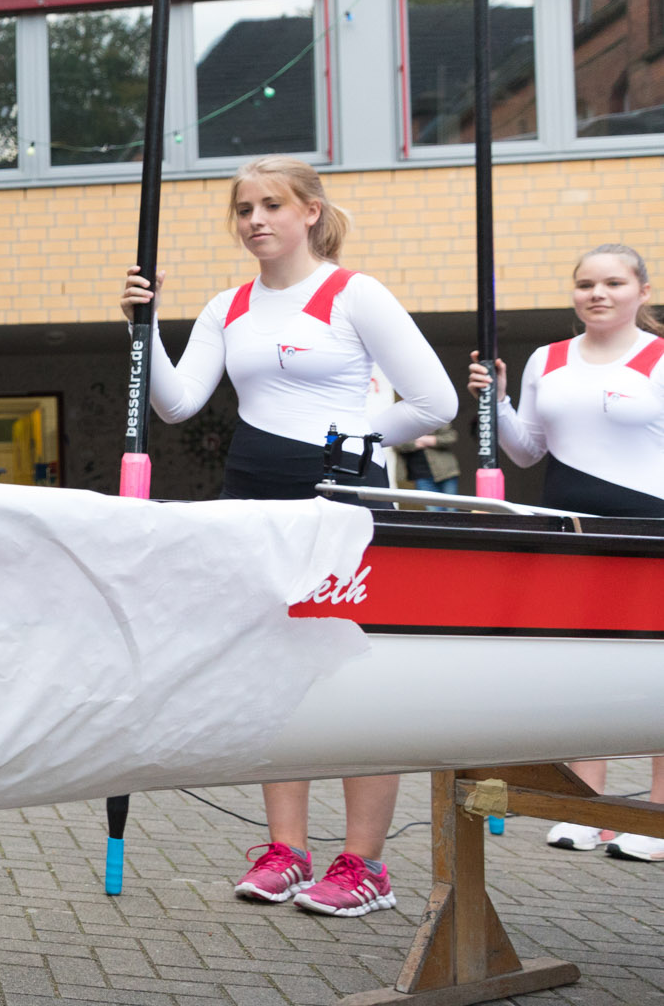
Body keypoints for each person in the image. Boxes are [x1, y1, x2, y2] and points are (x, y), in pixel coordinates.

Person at [116, 155, 456, 918]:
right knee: (276, 669)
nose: (256, 219)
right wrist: (146, 329)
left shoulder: (353, 293)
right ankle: (287, 850)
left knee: (356, 677)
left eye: (272, 204)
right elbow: (175, 404)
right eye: (243, 209)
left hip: (341, 498)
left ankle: (365, 863)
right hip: (253, 496)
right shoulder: (227, 306)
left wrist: (356, 436)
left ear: (310, 211)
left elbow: (434, 399)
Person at [469, 243, 664, 861]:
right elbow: (525, 451)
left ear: (642, 290)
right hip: (570, 530)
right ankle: (586, 803)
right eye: (585, 284)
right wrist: (495, 401)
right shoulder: (546, 359)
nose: (598, 294)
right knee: (586, 664)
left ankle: (657, 811)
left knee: (654, 667)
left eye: (613, 282)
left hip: (648, 528)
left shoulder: (660, 357)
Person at [394, 417, 462, 495]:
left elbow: (451, 437)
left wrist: (419, 439)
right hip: (420, 474)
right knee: (432, 505)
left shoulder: (436, 417)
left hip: (445, 470)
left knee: (451, 504)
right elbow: (396, 443)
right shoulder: (402, 422)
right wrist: (428, 441)